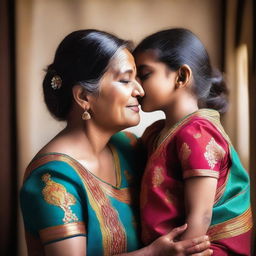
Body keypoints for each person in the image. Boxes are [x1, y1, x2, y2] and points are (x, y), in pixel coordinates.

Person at [20, 29, 212, 256]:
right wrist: (153, 254)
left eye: (139, 78)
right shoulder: (53, 179)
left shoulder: (130, 147)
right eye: (125, 80)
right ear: (83, 97)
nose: (139, 90)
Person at [134, 28, 253, 255]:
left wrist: (184, 251)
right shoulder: (156, 132)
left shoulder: (197, 133)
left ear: (181, 77)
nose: (137, 87)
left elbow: (201, 215)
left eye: (145, 74)